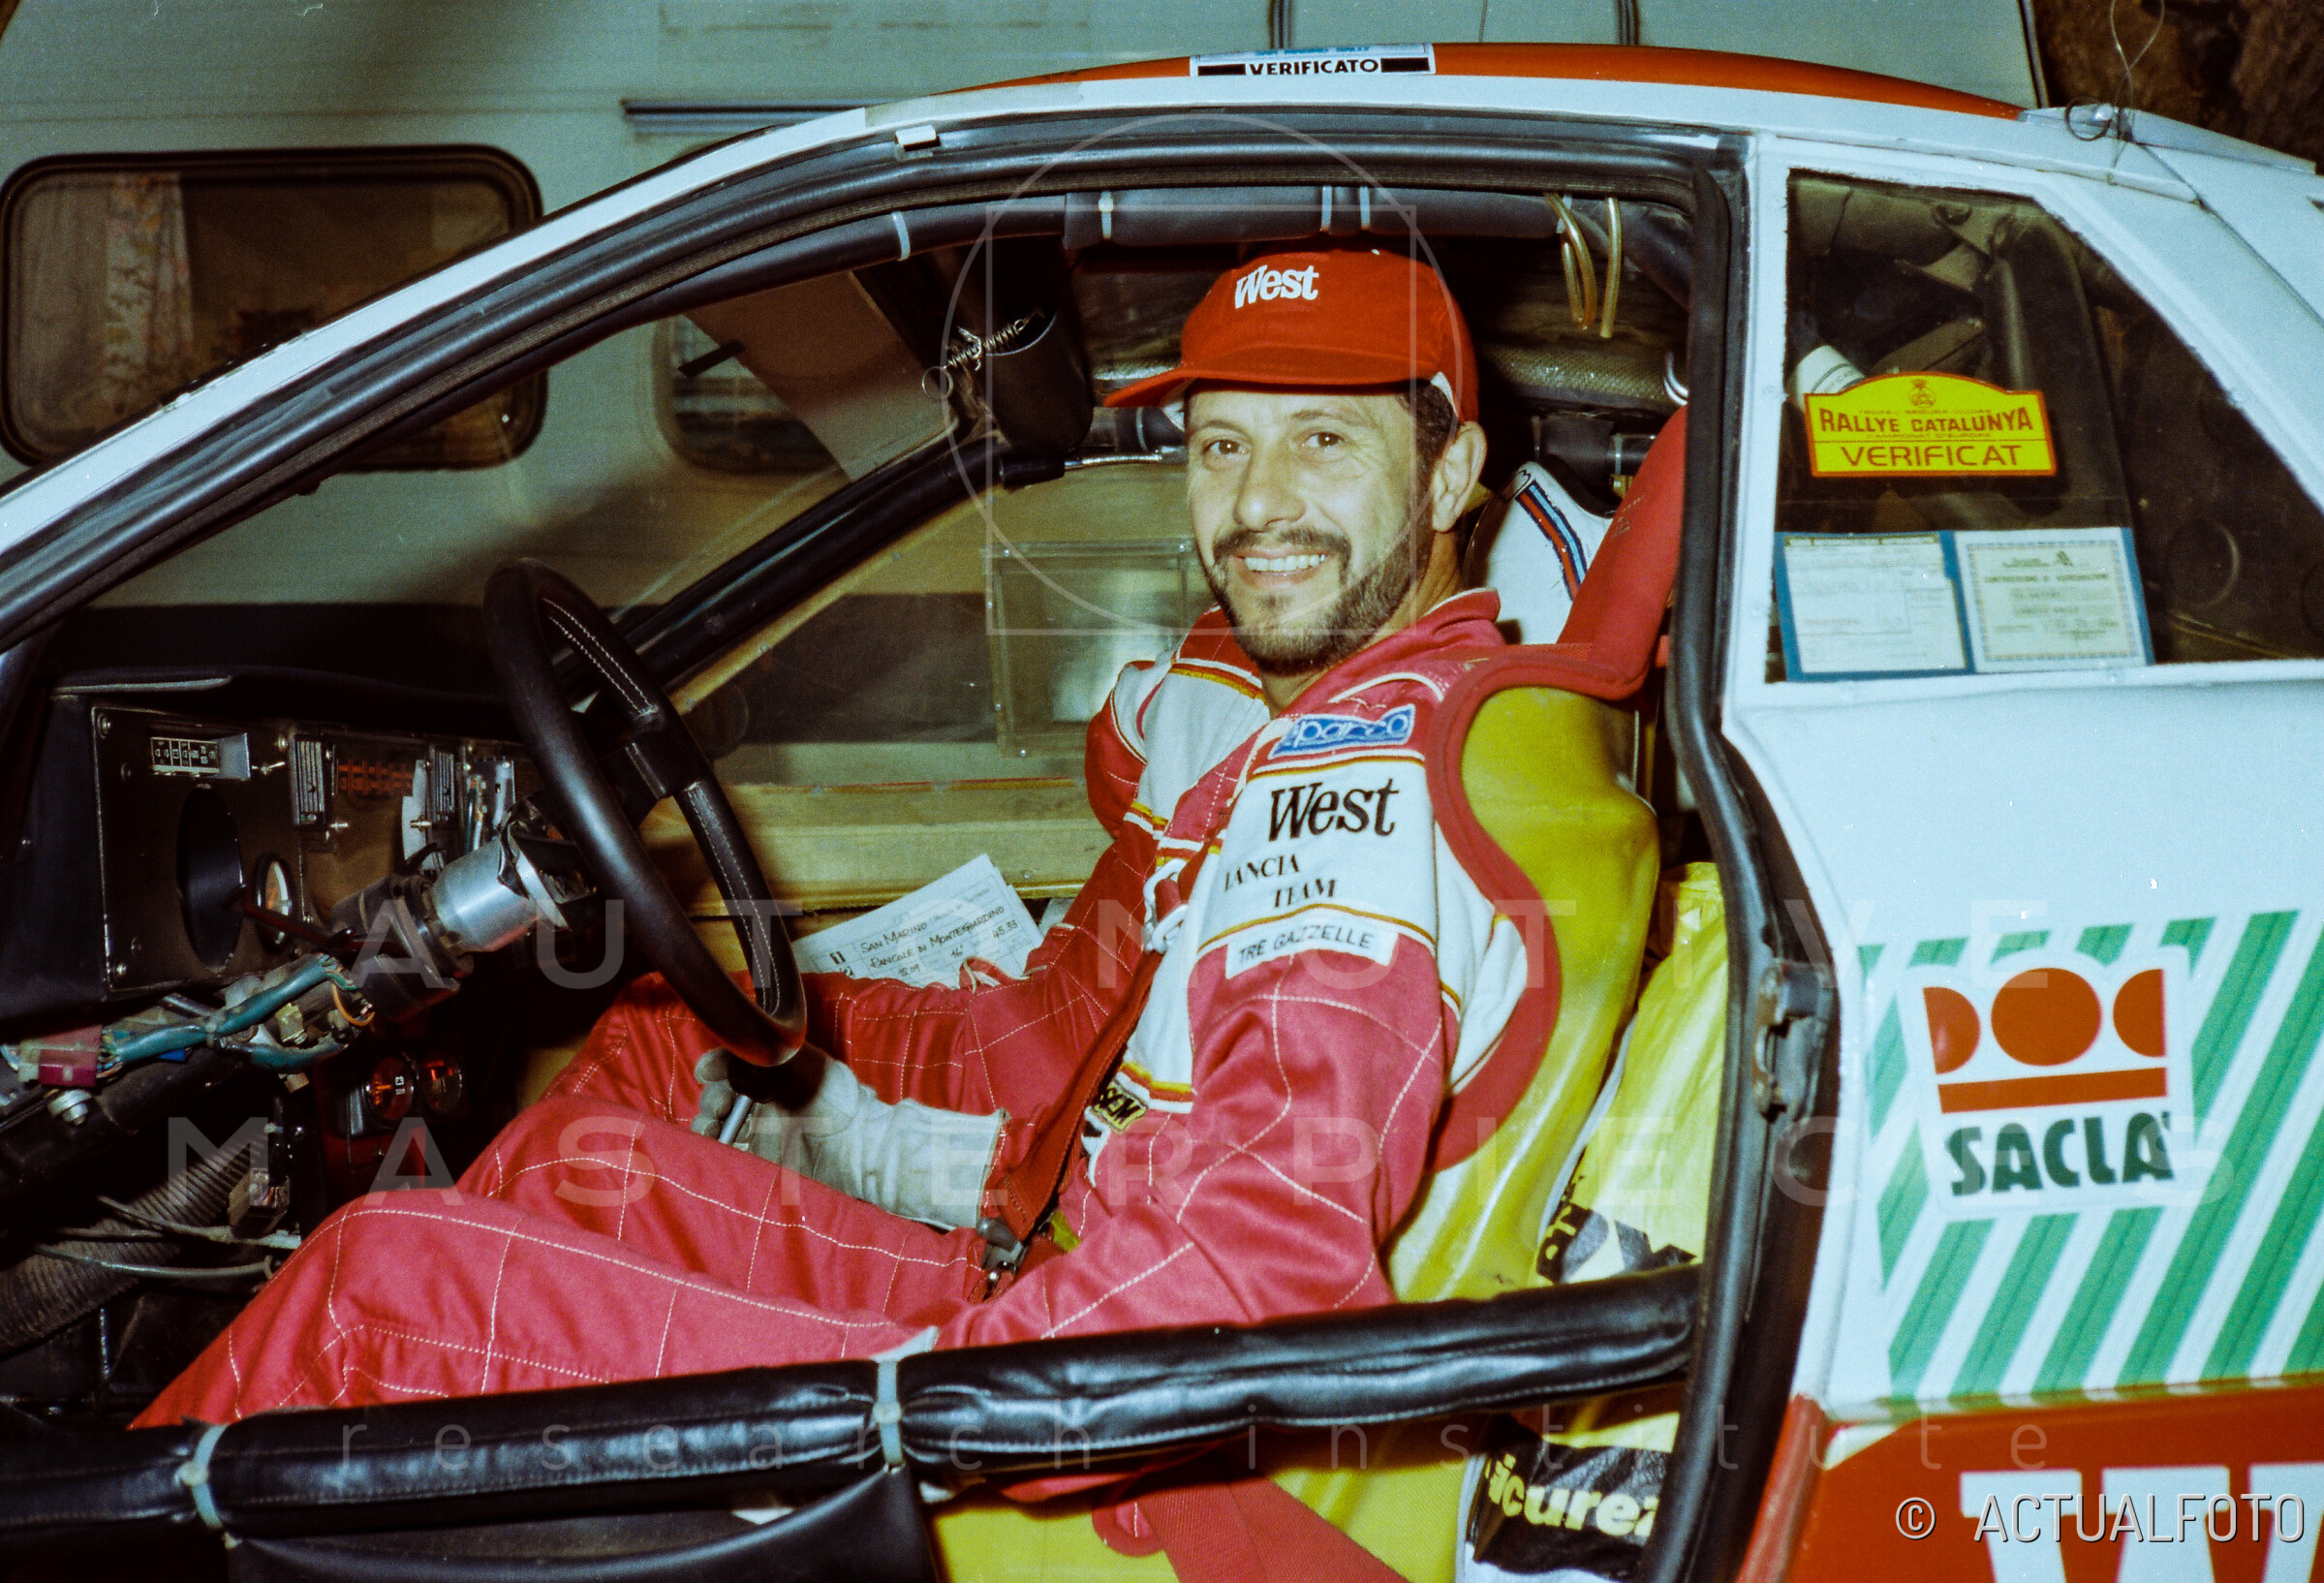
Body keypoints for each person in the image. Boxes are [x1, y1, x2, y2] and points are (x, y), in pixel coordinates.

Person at [135, 244, 1533, 1426]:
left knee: (378, 1285)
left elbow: (1253, 1277)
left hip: (1063, 1429)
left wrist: (902, 1412)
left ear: (1451, 473)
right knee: (569, 1170)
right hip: (1052, 1302)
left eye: (1325, 439)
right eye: (1224, 444)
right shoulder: (1358, 719)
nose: (1260, 501)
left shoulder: (1361, 784)